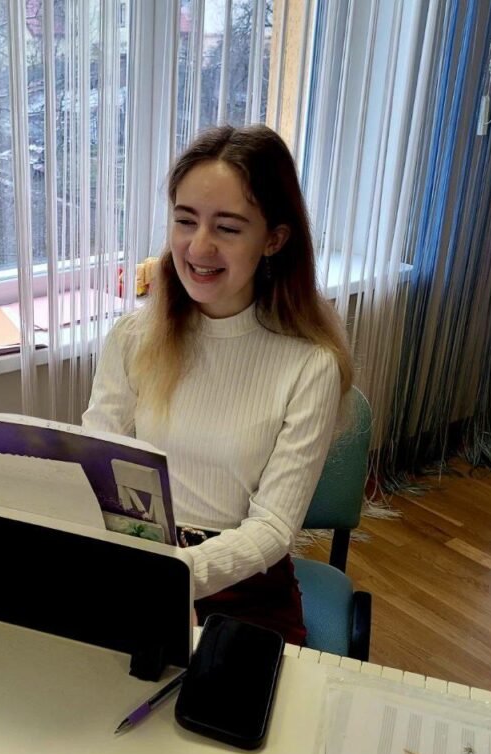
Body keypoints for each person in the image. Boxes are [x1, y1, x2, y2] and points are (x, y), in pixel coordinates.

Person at [82, 124, 353, 645]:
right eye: (185, 220)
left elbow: (272, 529)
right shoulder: (133, 337)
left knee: (220, 698)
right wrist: (145, 567)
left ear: (273, 240)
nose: (198, 246)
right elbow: (95, 463)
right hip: (142, 558)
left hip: (245, 583)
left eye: (227, 228)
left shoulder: (310, 365)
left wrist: (180, 575)